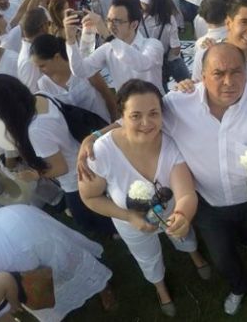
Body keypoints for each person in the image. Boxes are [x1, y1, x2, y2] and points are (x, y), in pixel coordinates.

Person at [79, 80, 210, 317]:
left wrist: (181, 215)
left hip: (171, 214)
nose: (146, 123)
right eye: (136, 116)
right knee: (147, 256)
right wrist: (128, 216)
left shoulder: (170, 144)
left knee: (184, 235)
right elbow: (89, 197)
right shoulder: (102, 152)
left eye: (153, 114)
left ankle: (194, 253)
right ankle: (161, 288)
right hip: (130, 223)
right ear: (122, 116)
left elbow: (186, 193)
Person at [0, 74, 115, 238]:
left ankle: (115, 230)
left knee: (85, 218)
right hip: (81, 152)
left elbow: (60, 168)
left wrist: (35, 175)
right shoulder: (41, 96)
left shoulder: (35, 130)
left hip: (75, 176)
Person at [0, 205, 114, 321]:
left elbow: (5, 280)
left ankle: (101, 285)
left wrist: (14, 302)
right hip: (8, 234)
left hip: (18, 238)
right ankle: (59, 308)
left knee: (64, 261)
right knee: (37, 284)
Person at [65, 0, 165, 93]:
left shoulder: (153, 45)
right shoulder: (108, 48)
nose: (110, 26)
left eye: (116, 21)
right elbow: (81, 71)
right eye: (108, 20)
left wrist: (108, 36)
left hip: (155, 108)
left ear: (134, 24)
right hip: (127, 109)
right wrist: (71, 39)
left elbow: (142, 64)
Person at [30, 34, 117, 122]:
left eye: (42, 66)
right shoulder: (43, 84)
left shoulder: (83, 66)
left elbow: (106, 94)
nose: (40, 70)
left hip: (105, 123)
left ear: (56, 57)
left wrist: (115, 119)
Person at [139, 0, 189, 92]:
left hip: (152, 64)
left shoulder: (138, 23)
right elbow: (176, 49)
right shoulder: (169, 18)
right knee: (190, 87)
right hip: (173, 60)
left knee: (162, 95)